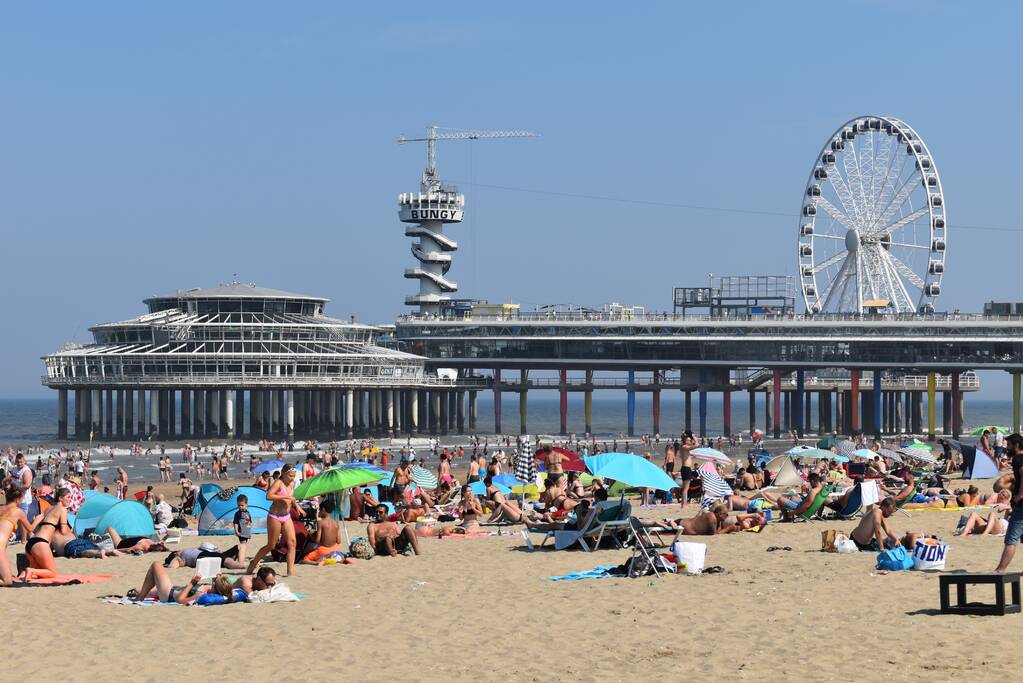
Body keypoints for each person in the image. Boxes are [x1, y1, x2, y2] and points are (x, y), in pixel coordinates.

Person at [247, 464, 300, 577]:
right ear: (283, 473)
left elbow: (291, 498)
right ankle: (254, 563)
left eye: (294, 476)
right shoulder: (278, 483)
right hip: (275, 516)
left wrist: (297, 506)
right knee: (271, 545)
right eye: (290, 476)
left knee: (292, 543)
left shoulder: (292, 483)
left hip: (286, 516)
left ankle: (290, 572)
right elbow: (268, 496)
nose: (292, 478)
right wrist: (284, 497)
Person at [128, 561, 241, 605]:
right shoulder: (213, 589)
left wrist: (192, 583)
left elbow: (180, 600)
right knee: (138, 590)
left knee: (156, 565)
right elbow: (219, 587)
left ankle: (140, 598)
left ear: (216, 587)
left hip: (169, 594)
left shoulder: (201, 594)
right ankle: (141, 593)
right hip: (173, 589)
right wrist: (218, 577)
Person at [995, 434, 1023, 572]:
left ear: (1016, 445)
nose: (1007, 448)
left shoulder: (1018, 459)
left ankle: (1000, 569)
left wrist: (1020, 494)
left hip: (1021, 505)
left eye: (1009, 445)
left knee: (1011, 539)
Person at [0, 485, 33, 584]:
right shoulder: (18, 511)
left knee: (9, 575)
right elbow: (30, 529)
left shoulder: (1, 508)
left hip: (2, 548)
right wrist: (39, 519)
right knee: (8, 582)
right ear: (18, 500)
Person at [301, 500, 341, 564]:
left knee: (304, 559)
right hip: (334, 549)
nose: (319, 511)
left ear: (323, 509)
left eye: (320, 510)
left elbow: (317, 541)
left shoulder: (321, 523)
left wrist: (311, 534)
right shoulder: (336, 524)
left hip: (323, 550)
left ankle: (316, 563)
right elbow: (339, 541)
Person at [12, 452, 33, 542]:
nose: (19, 463)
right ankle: (18, 536)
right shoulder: (14, 469)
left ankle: (24, 540)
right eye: (18, 462)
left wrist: (17, 489)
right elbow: (12, 480)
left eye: (21, 462)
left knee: (23, 521)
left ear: (25, 461)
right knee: (17, 519)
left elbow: (27, 485)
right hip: (16, 499)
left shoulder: (26, 471)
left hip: (24, 500)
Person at [233, 494, 252, 564]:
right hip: (241, 533)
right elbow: (235, 523)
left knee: (244, 546)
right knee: (243, 545)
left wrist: (250, 533)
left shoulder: (248, 513)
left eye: (242, 505)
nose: (240, 507)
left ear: (246, 504)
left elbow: (249, 522)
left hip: (247, 533)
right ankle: (240, 560)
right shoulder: (237, 513)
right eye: (239, 505)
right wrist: (236, 530)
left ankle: (239, 556)